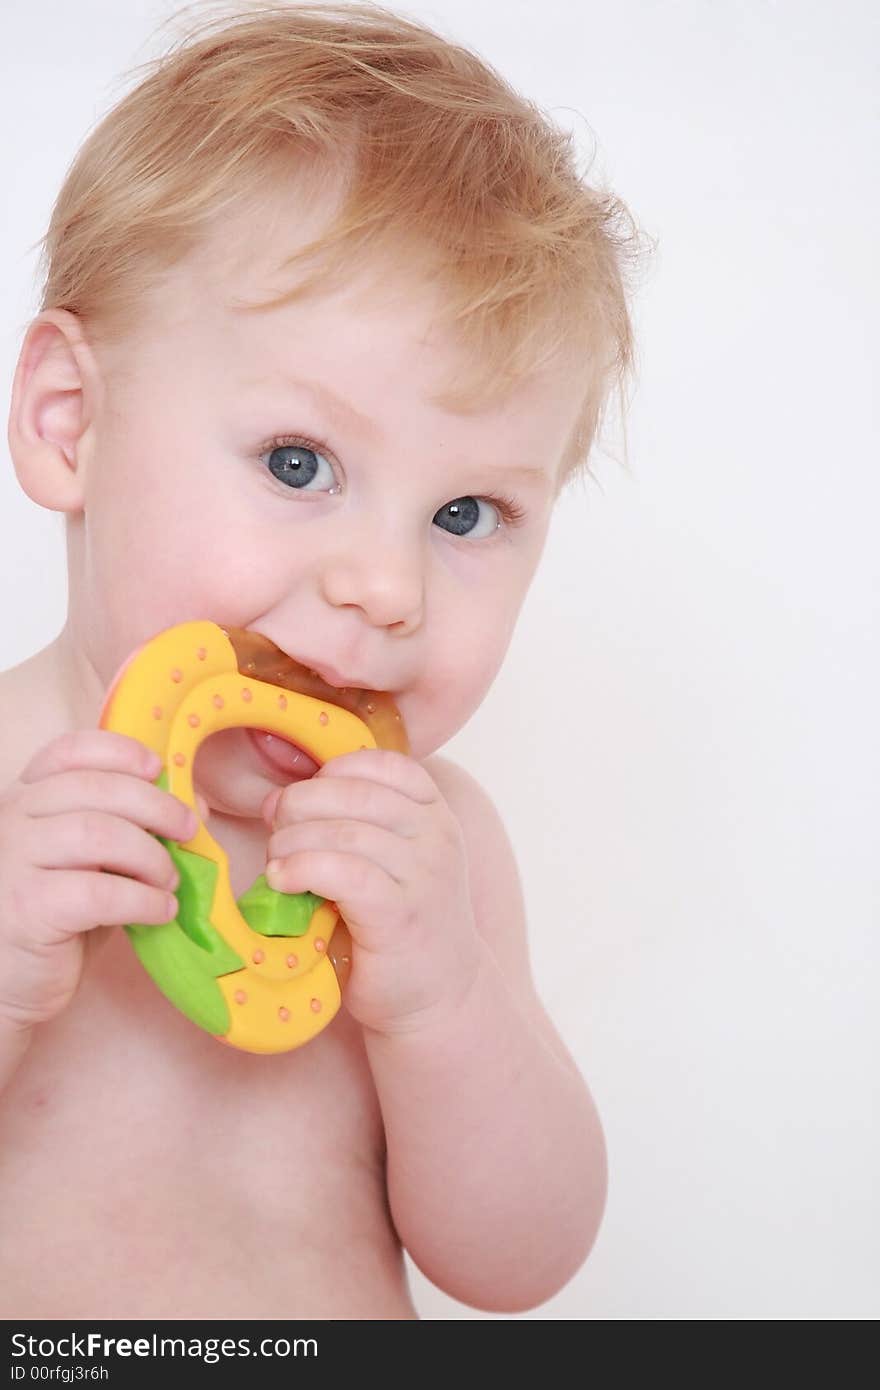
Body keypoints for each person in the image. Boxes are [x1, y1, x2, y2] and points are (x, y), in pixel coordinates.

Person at [0, 2, 643, 1318]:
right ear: (71, 423)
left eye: (466, 514)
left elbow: (518, 1260)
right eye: (299, 464)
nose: (387, 587)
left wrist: (447, 1004)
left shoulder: (435, 852)